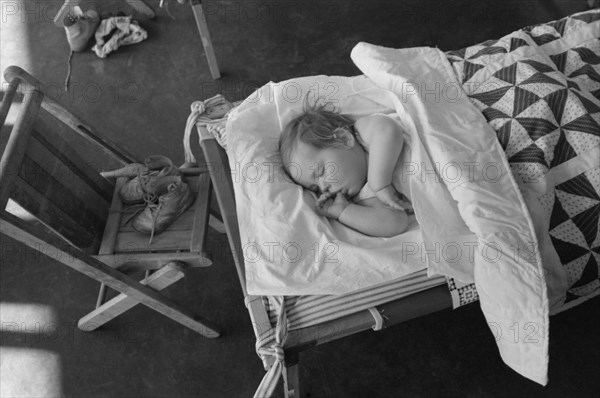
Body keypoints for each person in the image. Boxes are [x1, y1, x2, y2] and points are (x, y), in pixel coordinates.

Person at [279, 101, 413, 237]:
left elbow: (387, 130)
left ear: (344, 139)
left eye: (321, 172)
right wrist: (343, 211)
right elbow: (395, 223)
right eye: (315, 189)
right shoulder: (365, 195)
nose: (323, 187)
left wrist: (380, 184)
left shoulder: (363, 134)